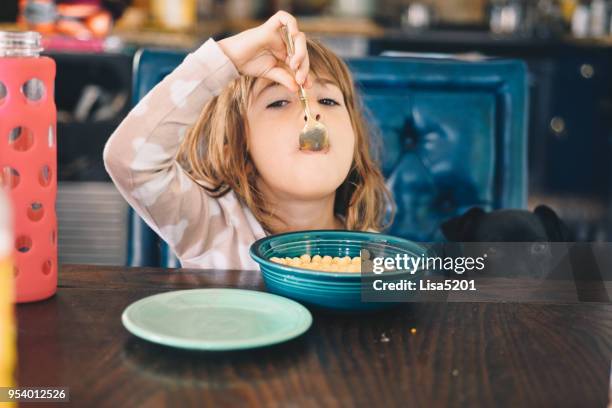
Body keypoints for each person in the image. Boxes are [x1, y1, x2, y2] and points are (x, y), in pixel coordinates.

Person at [103, 11, 394, 270]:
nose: (312, 112)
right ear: (237, 145)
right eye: (279, 102)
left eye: (329, 100)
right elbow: (129, 160)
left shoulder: (370, 252)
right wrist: (227, 58)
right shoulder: (212, 226)